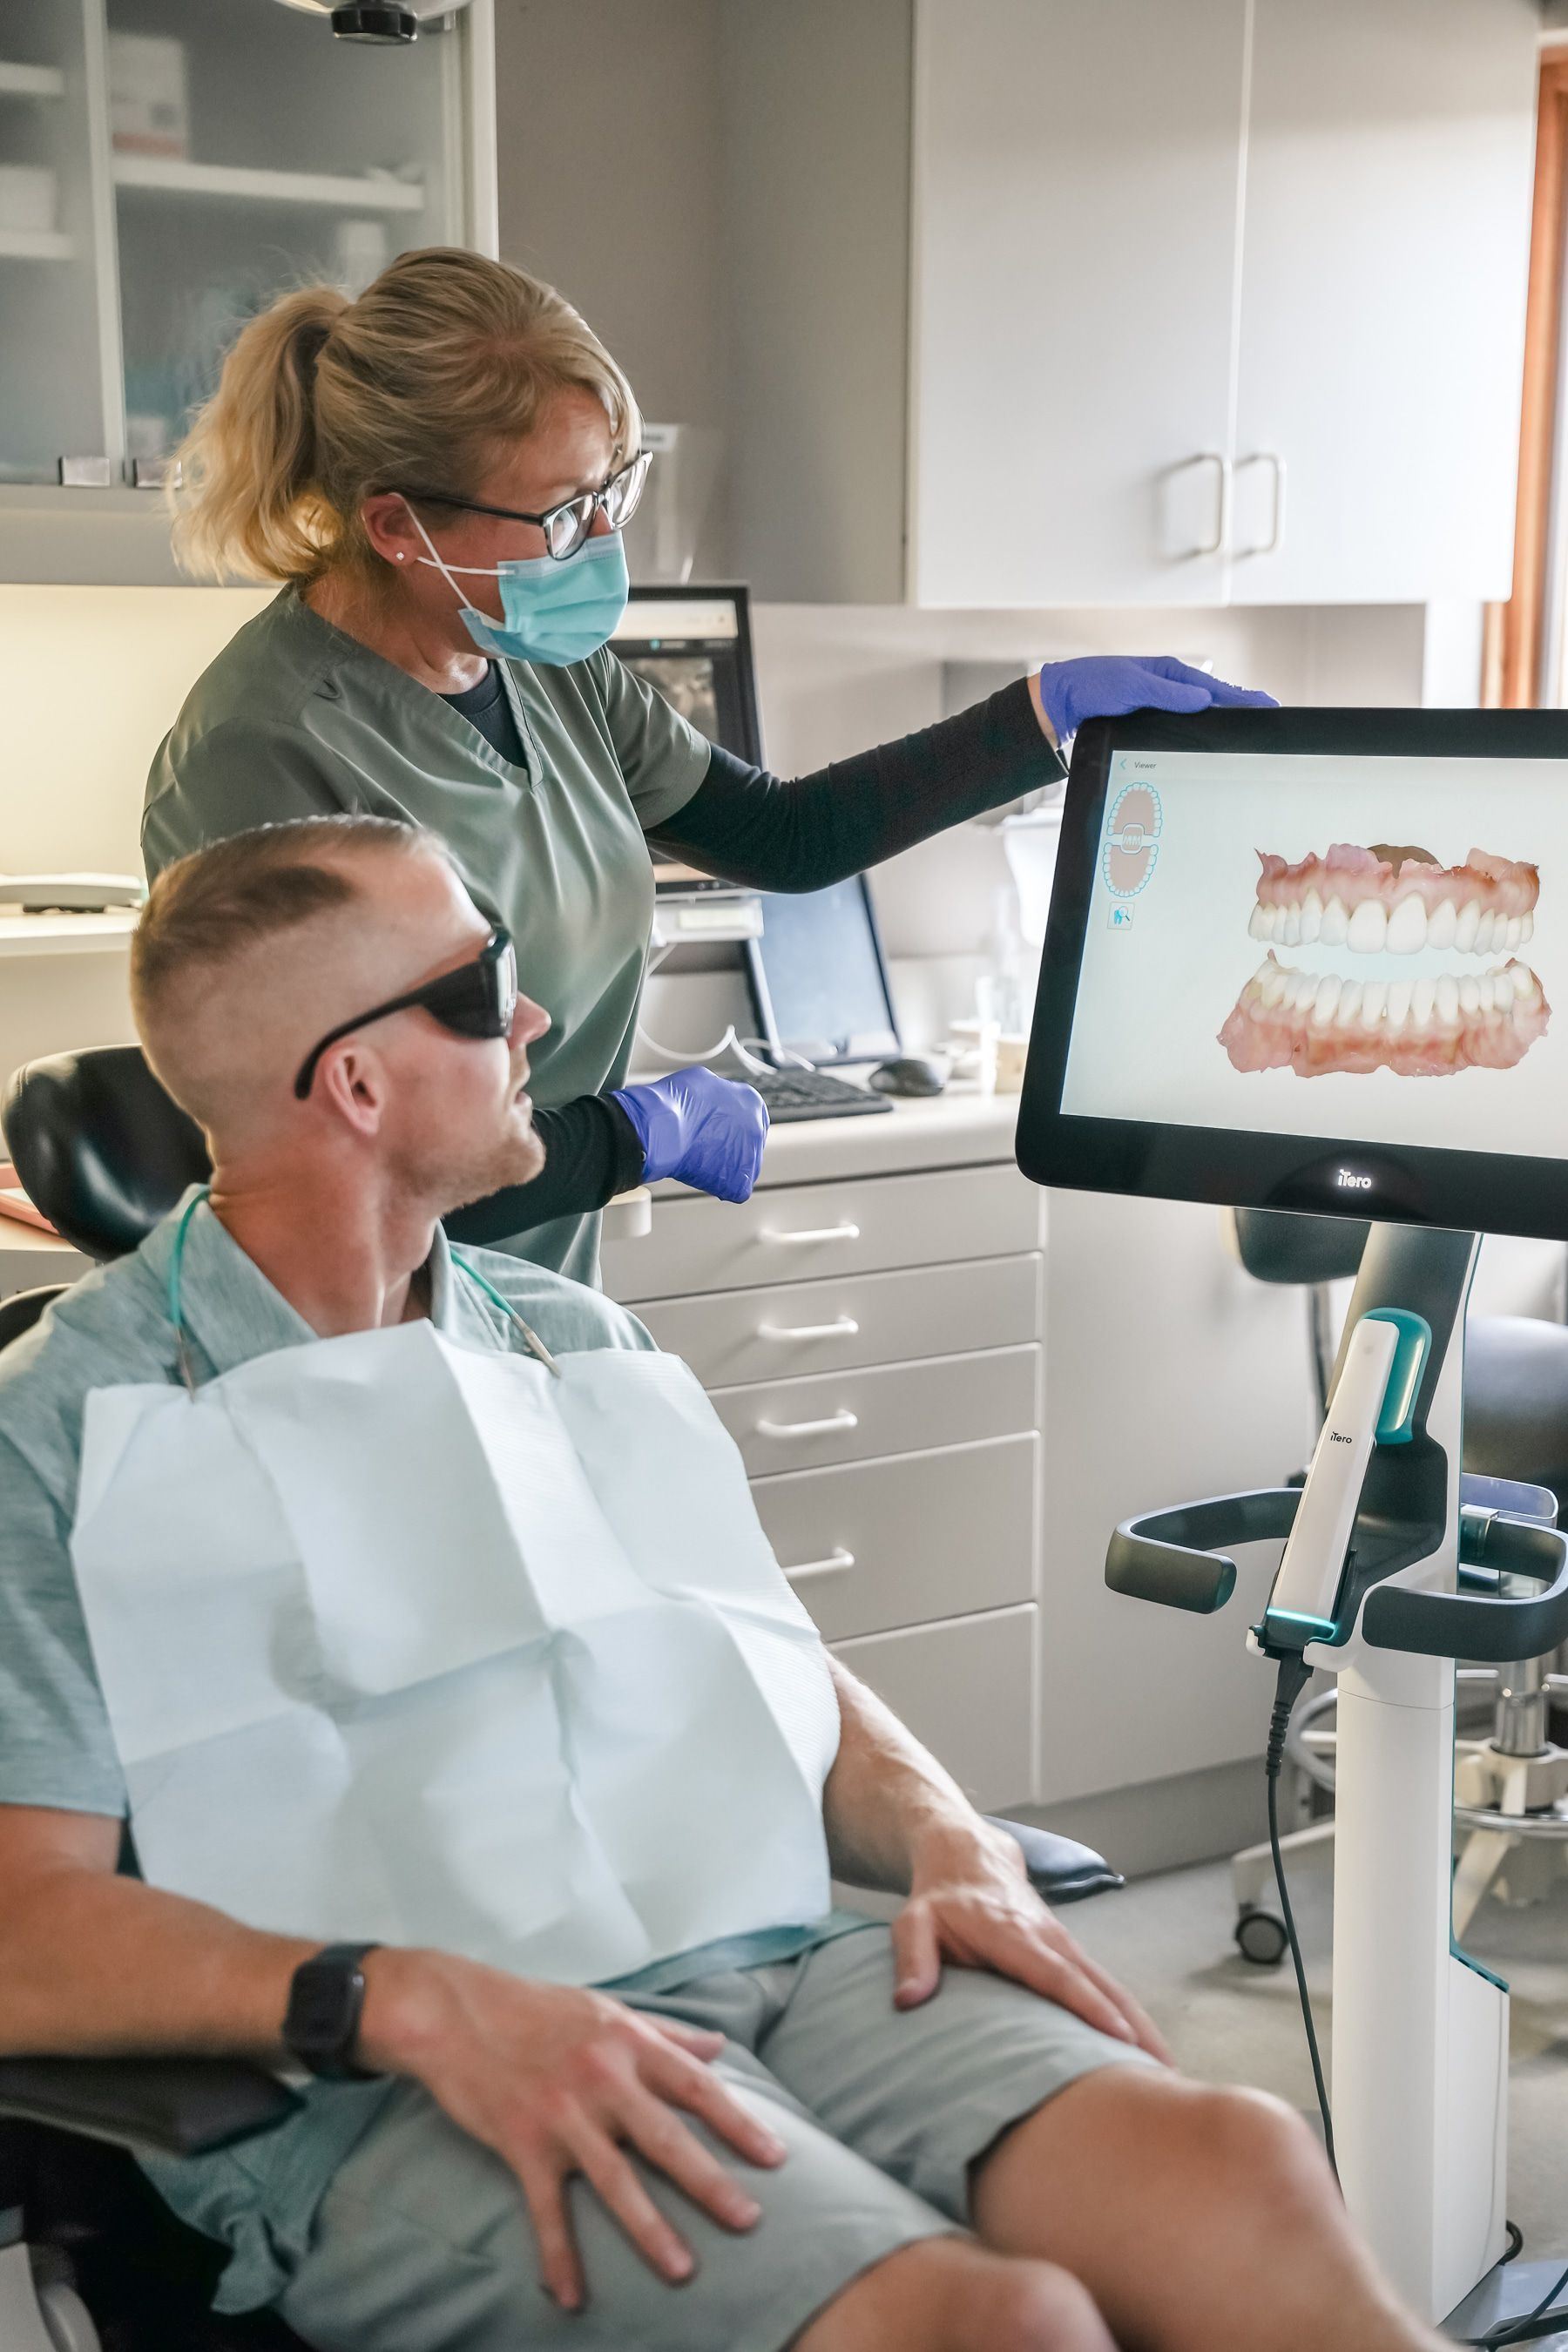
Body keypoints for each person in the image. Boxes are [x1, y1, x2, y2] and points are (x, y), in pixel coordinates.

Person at [0, 814, 1444, 2352]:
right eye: (481, 988)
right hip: (394, 2074)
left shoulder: (572, 1342)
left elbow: (766, 1665)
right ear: (355, 1083)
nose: (533, 1017)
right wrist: (402, 1998)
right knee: (992, 2326)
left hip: (764, 1949)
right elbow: (24, 1928)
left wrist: (948, 1838)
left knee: (1235, 2162)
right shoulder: (70, 1426)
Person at [143, 246, 1274, 1285]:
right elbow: (346, 1159)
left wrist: (1038, 715)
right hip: (351, 1323)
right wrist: (642, 1133)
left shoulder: (543, 668)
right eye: (561, 516)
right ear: (396, 527)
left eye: (610, 492)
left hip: (534, 1294)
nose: (603, 544)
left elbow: (784, 837)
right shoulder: (263, 752)